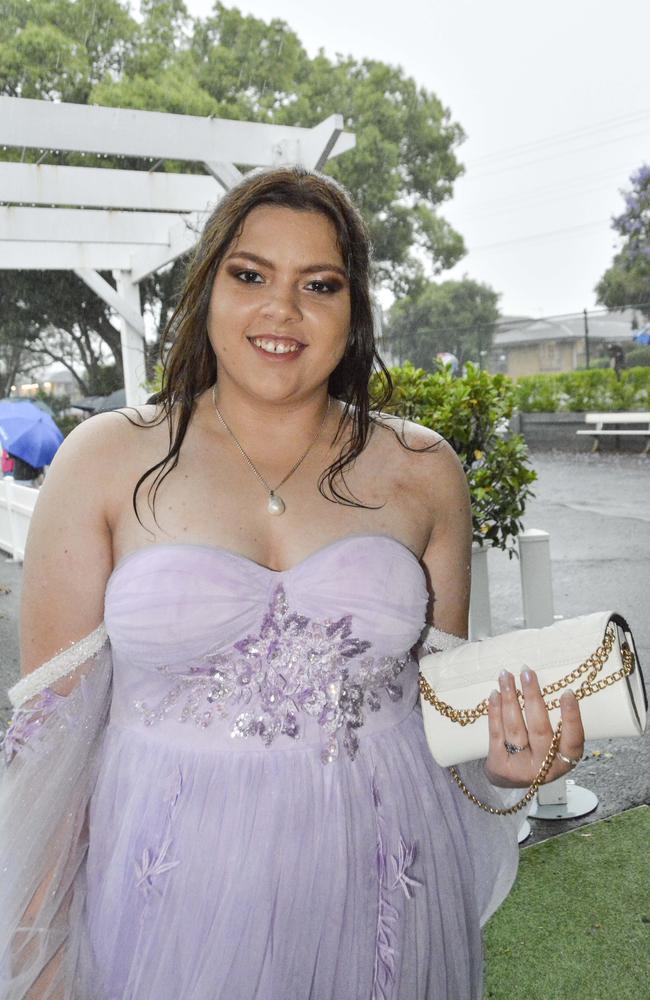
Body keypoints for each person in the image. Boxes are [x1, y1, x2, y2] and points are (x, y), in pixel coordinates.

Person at [0, 166, 585, 999]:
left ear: (355, 313)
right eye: (250, 275)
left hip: (384, 876)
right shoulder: (103, 458)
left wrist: (506, 766)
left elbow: (447, 718)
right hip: (167, 897)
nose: (282, 311)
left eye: (320, 284)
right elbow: (49, 744)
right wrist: (42, 957)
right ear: (206, 290)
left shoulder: (422, 470)